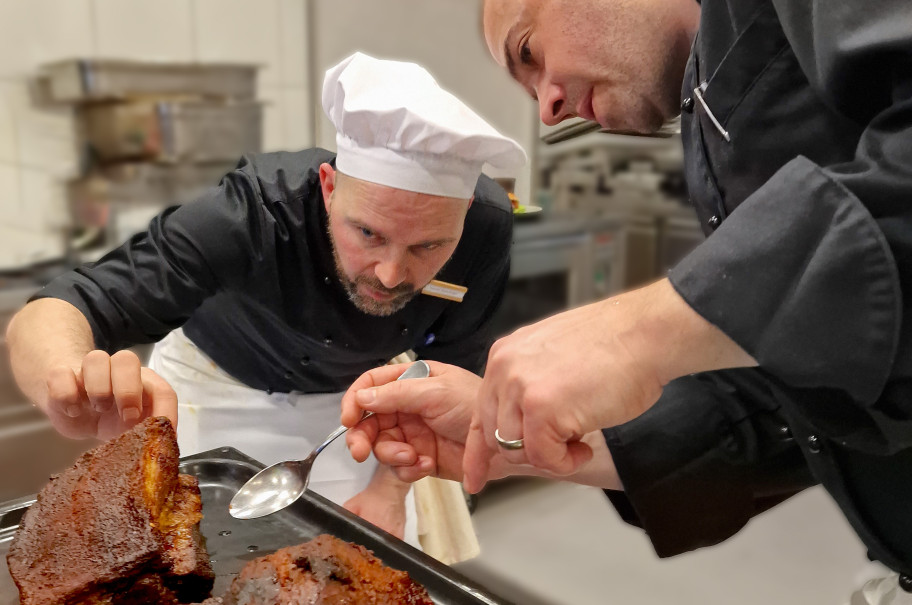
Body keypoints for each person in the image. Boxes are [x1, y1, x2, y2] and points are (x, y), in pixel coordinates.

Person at [341, 0, 912, 601]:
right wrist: (514, 443)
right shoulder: (712, 103)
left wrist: (638, 331)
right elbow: (797, 388)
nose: (547, 109)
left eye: (530, 51)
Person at [5, 51, 526, 545]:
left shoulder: (485, 229)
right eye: (367, 233)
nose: (391, 275)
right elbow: (63, 306)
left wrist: (389, 492)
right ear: (328, 187)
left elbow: (443, 375)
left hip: (354, 411)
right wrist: (68, 386)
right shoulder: (248, 213)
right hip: (215, 391)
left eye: (428, 246)